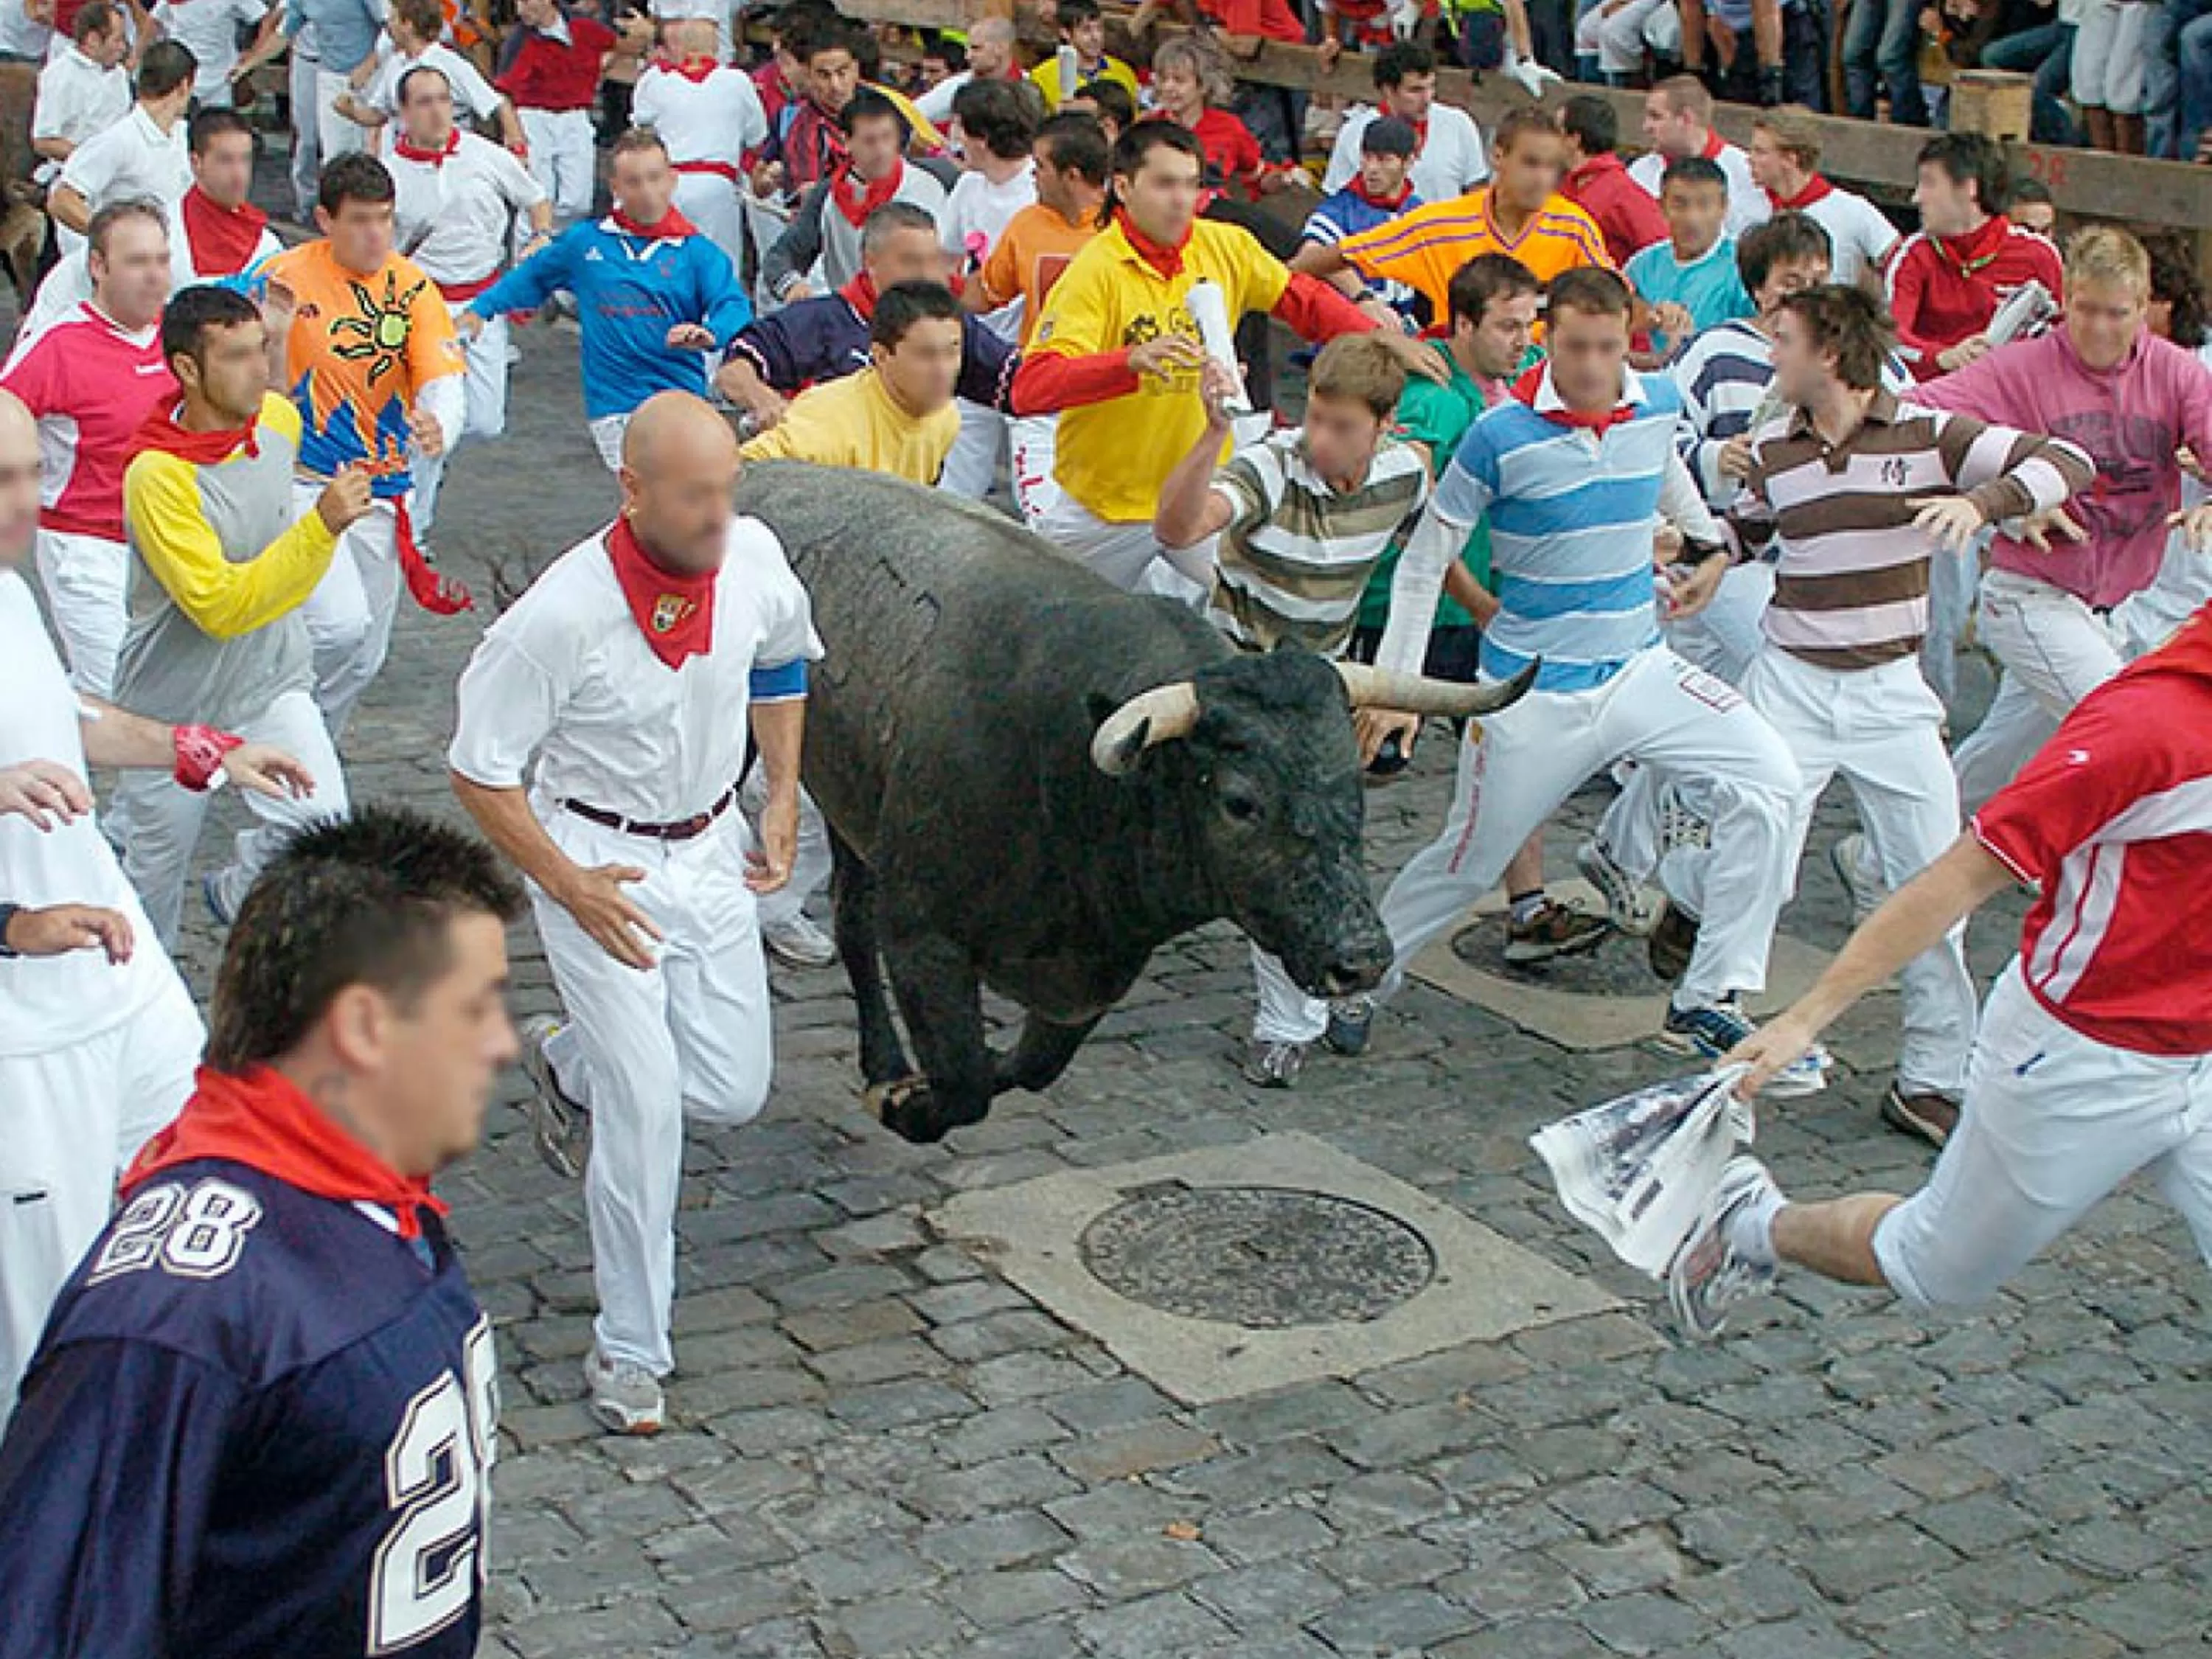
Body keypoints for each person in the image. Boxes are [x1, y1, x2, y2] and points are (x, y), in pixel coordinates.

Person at [0, 807, 523, 1650]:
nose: (504, 1046)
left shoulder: (376, 1209)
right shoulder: (176, 1314)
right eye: (476, 1009)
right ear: (363, 1029)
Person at [1677, 601, 2212, 1339]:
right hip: (2083, 1058)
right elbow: (1954, 880)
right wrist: (1804, 1019)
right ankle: (1757, 1224)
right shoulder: (2147, 730)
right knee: (1935, 1268)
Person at [1339, 267, 1816, 1082]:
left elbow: (1665, 470)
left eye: (1607, 347)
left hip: (1640, 670)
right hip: (1532, 692)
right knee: (1468, 860)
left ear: (1626, 340)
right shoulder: (1500, 433)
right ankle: (1352, 984)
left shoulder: (1658, 398)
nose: (1593, 366)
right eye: (1575, 348)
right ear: (1548, 341)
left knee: (1775, 780)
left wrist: (1701, 544)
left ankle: (1709, 994)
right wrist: (1397, 690)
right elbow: (1425, 562)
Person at [450, 391, 820, 1435]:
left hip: (707, 846)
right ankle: (629, 1347)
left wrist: (782, 789)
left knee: (733, 1086)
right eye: (695, 495)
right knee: (649, 1106)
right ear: (633, 488)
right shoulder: (558, 617)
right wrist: (564, 882)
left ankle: (567, 1062)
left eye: (727, 490)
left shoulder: (751, 554)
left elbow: (784, 657)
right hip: (595, 858)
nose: (718, 514)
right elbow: (480, 770)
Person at [1709, 284, 2091, 1147]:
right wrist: (1704, 550)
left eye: (1785, 342)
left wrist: (1979, 504)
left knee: (1932, 885)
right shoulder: (1772, 446)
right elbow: (1750, 533)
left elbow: (2065, 462)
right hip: (1791, 683)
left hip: (1891, 693)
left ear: (1831, 355)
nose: (1773, 357)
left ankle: (1930, 1079)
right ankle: (1723, 1037)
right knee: (1751, 859)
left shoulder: (1929, 432)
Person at [0, 385, 305, 1419]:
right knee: (40, 1327)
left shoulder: (8, 591)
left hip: (122, 984)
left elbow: (65, 713)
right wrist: (13, 928)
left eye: (32, 475)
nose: (28, 505)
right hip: (23, 1032)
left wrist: (202, 749)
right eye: (4, 483)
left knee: (217, 1178)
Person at [1153, 335, 1436, 1085]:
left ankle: (1330, 982)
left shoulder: (1407, 476)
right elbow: (1178, 530)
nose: (1320, 438)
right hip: (1242, 681)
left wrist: (1395, 686)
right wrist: (1213, 433)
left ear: (1384, 427)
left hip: (1322, 688)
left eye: (1342, 426)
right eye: (1315, 417)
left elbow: (1424, 567)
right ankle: (1288, 1017)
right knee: (1274, 847)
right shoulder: (1271, 467)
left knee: (1329, 841)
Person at [1011, 121, 1429, 595]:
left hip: (1202, 496)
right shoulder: (1094, 271)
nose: (1182, 200)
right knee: (1060, 625)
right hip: (1104, 509)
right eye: (1166, 183)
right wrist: (1128, 363)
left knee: (1265, 610)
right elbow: (1031, 387)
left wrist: (1381, 337)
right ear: (1123, 187)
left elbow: (1303, 300)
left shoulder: (1223, 245)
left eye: (1191, 184)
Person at [1919, 226, 2212, 811]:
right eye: (2086, 310)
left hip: (2118, 605)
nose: (2100, 329)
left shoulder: (2177, 372)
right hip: (2032, 593)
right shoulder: (2022, 367)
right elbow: (1916, 417)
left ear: (2144, 305)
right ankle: (2075, 872)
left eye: (2117, 313)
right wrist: (2006, 495)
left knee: (2001, 760)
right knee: (2123, 730)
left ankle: (1881, 861)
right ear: (2066, 298)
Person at [108, 285, 368, 943]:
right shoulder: (157, 476)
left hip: (269, 683)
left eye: (262, 352)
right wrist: (322, 528)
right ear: (186, 370)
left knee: (323, 823)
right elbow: (219, 607)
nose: (259, 371)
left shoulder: (277, 423)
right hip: (169, 711)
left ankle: (237, 888)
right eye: (237, 357)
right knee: (151, 887)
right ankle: (148, 1017)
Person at [264, 153, 468, 744]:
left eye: (384, 218)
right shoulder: (281, 277)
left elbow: (442, 377)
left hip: (381, 493)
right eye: (359, 220)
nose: (375, 234)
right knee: (339, 625)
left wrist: (441, 426)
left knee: (364, 655)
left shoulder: (411, 288)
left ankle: (309, 748)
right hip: (304, 482)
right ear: (326, 220)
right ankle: (283, 723)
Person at [465, 128, 753, 472]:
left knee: (673, 499)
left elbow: (734, 304)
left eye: (654, 178)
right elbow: (531, 277)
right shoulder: (585, 243)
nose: (647, 192)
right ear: (615, 188)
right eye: (633, 182)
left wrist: (712, 332)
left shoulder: (698, 253)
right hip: (614, 406)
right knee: (650, 497)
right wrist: (481, 309)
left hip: (679, 397)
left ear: (672, 180)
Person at [0, 202, 178, 700]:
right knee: (128, 697)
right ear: (98, 266)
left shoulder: (181, 337)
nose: (154, 276)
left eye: (162, 260)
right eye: (137, 262)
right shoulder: (58, 347)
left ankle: (50, 719)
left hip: (169, 543)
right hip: (87, 548)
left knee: (153, 695)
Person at [387, 63, 552, 532]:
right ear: (404, 112)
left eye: (444, 101)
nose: (438, 112)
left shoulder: (486, 156)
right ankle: (414, 532)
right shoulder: (389, 172)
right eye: (425, 102)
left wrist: (540, 235)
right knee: (435, 420)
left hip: (483, 304)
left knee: (485, 420)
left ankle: (433, 462)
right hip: (424, 307)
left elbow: (535, 197)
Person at [1296, 105, 1612, 324]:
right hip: (1460, 379)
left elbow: (1616, 298)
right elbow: (1338, 256)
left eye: (1552, 167)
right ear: (1498, 157)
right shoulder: (1440, 224)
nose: (1543, 179)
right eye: (1531, 163)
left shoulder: (1574, 226)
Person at [18, 105, 282, 341]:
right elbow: (63, 291)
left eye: (245, 160)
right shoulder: (152, 234)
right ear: (196, 162)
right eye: (225, 161)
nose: (239, 175)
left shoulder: (269, 248)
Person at [969, 111, 1105, 524]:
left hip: (1106, 401)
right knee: (1045, 522)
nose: (1032, 176)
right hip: (1040, 397)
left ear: (1072, 175)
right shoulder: (1026, 224)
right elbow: (986, 293)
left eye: (1041, 167)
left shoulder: (1125, 228)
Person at [742, 279, 964, 481]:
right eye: (925, 355)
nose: (943, 370)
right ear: (881, 355)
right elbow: (741, 471)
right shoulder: (829, 423)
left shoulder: (946, 418)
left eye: (952, 352)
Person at [1886, 132, 2063, 378]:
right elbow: (1889, 337)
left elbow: (2067, 336)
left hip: (2015, 397)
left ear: (1969, 188)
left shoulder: (2039, 255)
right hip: (1937, 399)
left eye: (1928, 183)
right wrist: (1942, 357)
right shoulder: (1913, 255)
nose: (1916, 198)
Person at [938, 76, 1037, 499]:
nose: (955, 138)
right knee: (961, 471)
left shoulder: (1037, 190)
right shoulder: (968, 187)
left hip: (1030, 353)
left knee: (1032, 478)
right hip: (977, 345)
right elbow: (945, 254)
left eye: (960, 128)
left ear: (982, 137)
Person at [764, 86, 947, 304]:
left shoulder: (925, 187)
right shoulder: (827, 194)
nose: (881, 150)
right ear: (846, 142)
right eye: (869, 141)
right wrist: (792, 285)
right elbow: (783, 255)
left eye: (887, 138)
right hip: (849, 316)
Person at [630, 16, 768, 272]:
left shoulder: (654, 81)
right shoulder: (737, 81)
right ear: (715, 47)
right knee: (718, 267)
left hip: (666, 184)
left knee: (667, 264)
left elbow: (640, 130)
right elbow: (757, 136)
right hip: (716, 185)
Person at [48, 38, 195, 257]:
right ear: (184, 85)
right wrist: (115, 243)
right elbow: (61, 201)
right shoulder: (118, 139)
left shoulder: (184, 135)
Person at [495, 0, 619, 237]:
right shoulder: (519, 41)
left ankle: (562, 251)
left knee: (579, 200)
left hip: (575, 116)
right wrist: (514, 134)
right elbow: (502, 92)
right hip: (533, 116)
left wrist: (599, 66)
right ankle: (529, 259)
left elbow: (620, 45)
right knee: (537, 196)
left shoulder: (584, 28)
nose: (520, 9)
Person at [1745, 108, 1899, 291]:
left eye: (1760, 152)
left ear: (1790, 159)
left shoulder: (1852, 211)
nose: (1749, 159)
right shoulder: (1752, 206)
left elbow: (1901, 263)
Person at [1321, 42, 1491, 205]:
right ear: (1388, 90)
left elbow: (1478, 194)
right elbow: (1337, 200)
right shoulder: (1354, 133)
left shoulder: (1459, 124)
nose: (1427, 98)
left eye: (1431, 87)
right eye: (1415, 90)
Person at [339, 0, 521, 153]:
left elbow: (498, 103)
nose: (389, 26)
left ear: (407, 25)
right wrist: (352, 112)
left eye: (394, 19)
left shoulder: (449, 62)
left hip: (449, 155)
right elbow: (379, 114)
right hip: (406, 155)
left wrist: (516, 145)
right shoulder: (394, 64)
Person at [1624, 156, 1755, 362]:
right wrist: (1650, 317)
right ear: (1661, 207)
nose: (1692, 218)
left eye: (1704, 205)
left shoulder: (1746, 267)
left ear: (1724, 208)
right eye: (1680, 205)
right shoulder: (1640, 267)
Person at [1301, 116, 1425, 327]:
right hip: (1347, 328)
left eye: (1385, 160)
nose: (1372, 168)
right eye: (1367, 158)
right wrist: (1362, 297)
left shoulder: (1417, 210)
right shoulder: (1341, 209)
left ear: (1409, 162)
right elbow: (1310, 254)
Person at [1628, 77, 1767, 237]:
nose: (1646, 127)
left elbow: (1754, 236)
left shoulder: (1744, 170)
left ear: (1687, 118)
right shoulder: (1639, 172)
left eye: (1656, 117)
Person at [1559, 92, 1668, 267]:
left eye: (1557, 132)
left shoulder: (1623, 193)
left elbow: (1661, 252)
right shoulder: (1565, 185)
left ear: (1574, 139)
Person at [29, 2, 127, 191]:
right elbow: (43, 141)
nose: (123, 47)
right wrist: (92, 158)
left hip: (118, 175)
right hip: (72, 176)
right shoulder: (59, 76)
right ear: (93, 40)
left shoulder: (119, 75)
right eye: (118, 40)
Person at [284, 0, 386, 171]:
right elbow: (284, 32)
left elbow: (391, 27)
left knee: (371, 156)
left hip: (372, 80)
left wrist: (371, 63)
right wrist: (248, 64)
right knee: (334, 158)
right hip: (330, 78)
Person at [1677, 0, 1823, 108]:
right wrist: (1694, 74)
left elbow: (1766, 8)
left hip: (1783, 24)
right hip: (1731, 27)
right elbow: (1690, 8)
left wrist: (1771, 76)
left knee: (1797, 107)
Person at [153, 0, 283, 109]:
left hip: (220, 83)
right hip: (182, 80)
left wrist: (254, 53)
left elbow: (268, 19)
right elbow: (154, 22)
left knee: (218, 130)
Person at [1027, 0, 1138, 111]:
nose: (1096, 37)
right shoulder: (1041, 77)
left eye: (1099, 29)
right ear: (1065, 33)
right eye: (1086, 30)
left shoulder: (1124, 71)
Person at [915, 13, 1015, 125]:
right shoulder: (956, 86)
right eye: (968, 49)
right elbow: (912, 114)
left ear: (1001, 48)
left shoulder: (1029, 86)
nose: (968, 57)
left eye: (976, 48)